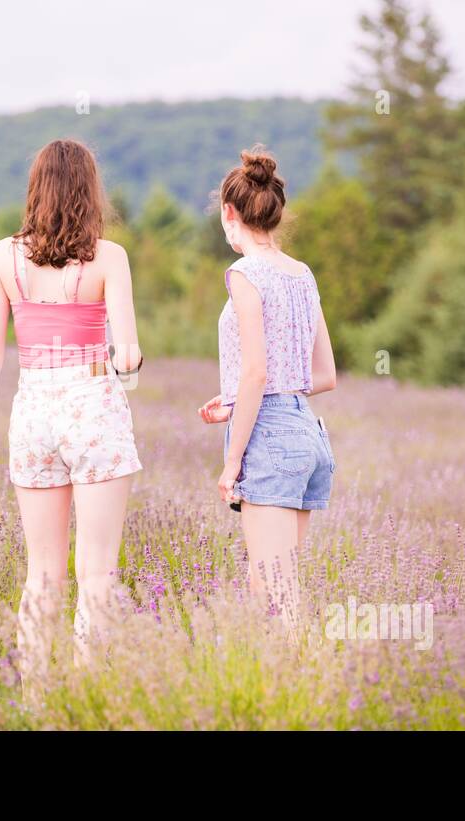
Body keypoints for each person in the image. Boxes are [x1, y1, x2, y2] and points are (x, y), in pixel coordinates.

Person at [0, 139, 143, 698]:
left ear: (35, 188)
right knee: (98, 573)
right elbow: (127, 353)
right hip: (92, 404)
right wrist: (126, 362)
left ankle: (35, 701)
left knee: (42, 574)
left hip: (32, 409)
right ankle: (86, 700)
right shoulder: (110, 258)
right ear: (89, 192)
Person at [198, 145, 337, 640]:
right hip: (308, 435)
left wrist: (232, 460)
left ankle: (296, 698)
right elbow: (324, 375)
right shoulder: (303, 274)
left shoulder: (244, 275)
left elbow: (256, 372)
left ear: (229, 213)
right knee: (274, 586)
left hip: (270, 439)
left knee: (276, 597)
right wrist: (235, 401)